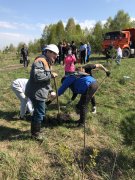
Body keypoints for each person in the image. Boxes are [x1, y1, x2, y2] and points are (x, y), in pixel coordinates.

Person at [25, 44, 59, 140]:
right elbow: (38, 77)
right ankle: (35, 134)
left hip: (39, 91)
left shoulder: (47, 61)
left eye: (56, 55)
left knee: (40, 111)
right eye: (54, 54)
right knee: (39, 113)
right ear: (48, 52)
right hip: (36, 92)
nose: (56, 56)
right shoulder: (40, 61)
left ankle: (37, 129)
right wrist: (51, 75)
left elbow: (45, 81)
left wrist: (50, 90)